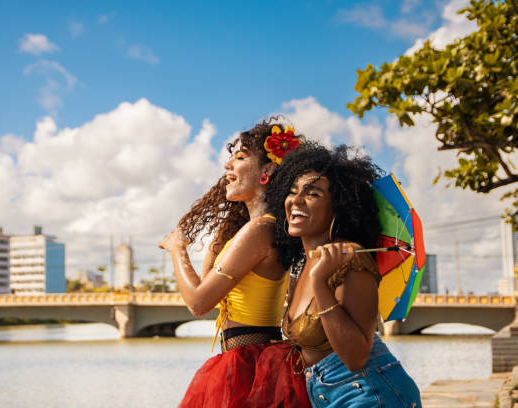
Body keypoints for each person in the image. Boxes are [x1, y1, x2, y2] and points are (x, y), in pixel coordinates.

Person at [159, 120, 310, 407]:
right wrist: (223, 232)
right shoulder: (261, 228)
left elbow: (198, 303)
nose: (228, 166)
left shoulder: (259, 230)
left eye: (240, 158)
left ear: (266, 171)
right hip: (250, 359)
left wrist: (177, 249)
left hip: (249, 365)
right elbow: (210, 289)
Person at [265, 142, 422, 408]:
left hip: (370, 394)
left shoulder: (351, 260)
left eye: (312, 194)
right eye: (293, 191)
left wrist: (320, 284)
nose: (296, 200)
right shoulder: (303, 263)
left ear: (339, 206)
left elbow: (356, 357)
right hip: (327, 395)